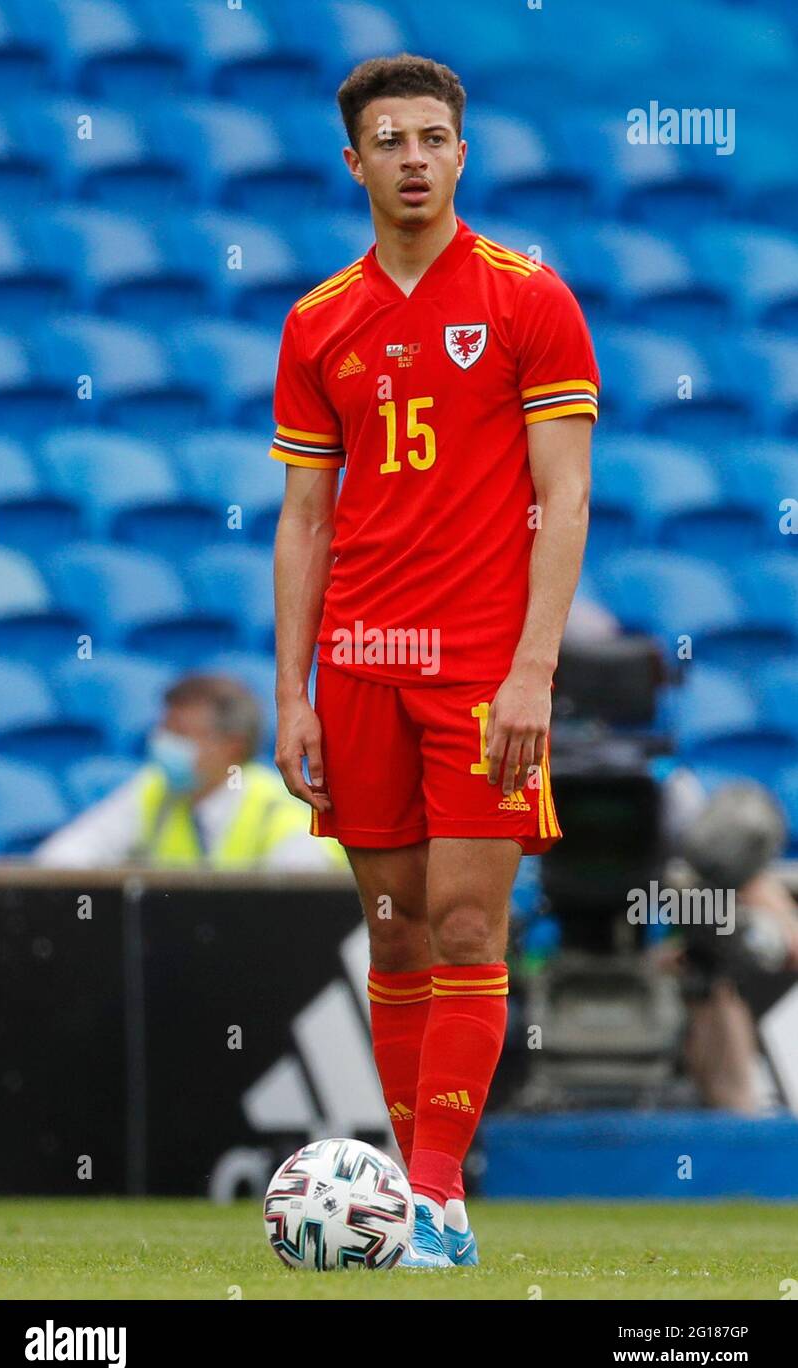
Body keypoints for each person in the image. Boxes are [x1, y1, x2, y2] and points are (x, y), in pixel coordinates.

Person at [271, 54, 598, 1267]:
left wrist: (532, 672)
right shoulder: (316, 320)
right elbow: (304, 520)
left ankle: (435, 1199)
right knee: (398, 931)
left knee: (469, 929)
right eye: (389, 140)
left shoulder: (528, 298)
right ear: (353, 162)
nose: (413, 157)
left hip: (479, 670)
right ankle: (417, 1206)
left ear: (463, 155)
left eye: (433, 139)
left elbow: (562, 503)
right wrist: (289, 693)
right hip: (356, 666)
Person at [35, 673, 347, 872]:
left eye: (181, 733)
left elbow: (298, 905)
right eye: (163, 728)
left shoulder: (277, 811)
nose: (161, 742)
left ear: (232, 747)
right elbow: (64, 857)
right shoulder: (155, 791)